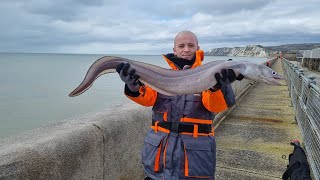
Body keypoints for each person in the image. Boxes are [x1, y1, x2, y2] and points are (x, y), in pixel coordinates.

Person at [116, 30, 243, 180]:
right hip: (159, 158)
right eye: (181, 46)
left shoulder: (212, 75)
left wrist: (217, 87)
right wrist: (133, 86)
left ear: (198, 48)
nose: (186, 49)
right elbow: (147, 99)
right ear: (174, 50)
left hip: (195, 161)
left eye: (191, 45)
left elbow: (215, 106)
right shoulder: (160, 76)